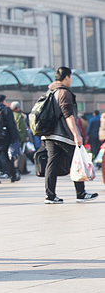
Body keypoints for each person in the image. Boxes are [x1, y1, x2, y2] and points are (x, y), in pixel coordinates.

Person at [44, 66, 98, 203]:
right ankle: (81, 193)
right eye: (71, 77)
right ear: (67, 77)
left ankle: (50, 196)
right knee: (77, 160)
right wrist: (76, 134)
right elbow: (68, 114)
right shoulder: (63, 92)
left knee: (52, 164)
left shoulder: (49, 91)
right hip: (63, 135)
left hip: (49, 134)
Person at [0, 94, 20, 184]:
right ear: (3, 100)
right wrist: (15, 137)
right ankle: (12, 176)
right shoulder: (6, 109)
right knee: (7, 156)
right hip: (5, 136)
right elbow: (11, 125)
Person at [11, 101, 29, 175]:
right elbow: (21, 128)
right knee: (22, 153)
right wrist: (24, 138)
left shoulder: (11, 115)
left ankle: (20, 169)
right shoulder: (19, 116)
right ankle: (21, 169)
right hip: (20, 138)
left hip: (13, 138)